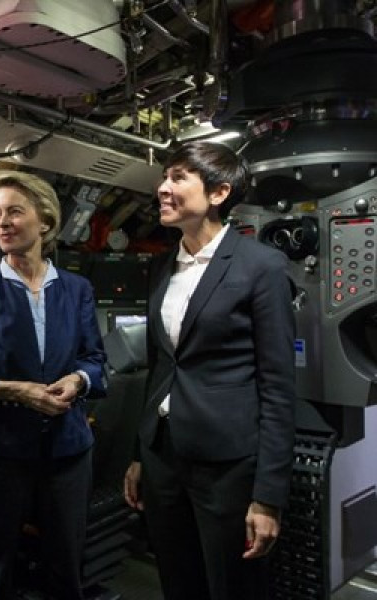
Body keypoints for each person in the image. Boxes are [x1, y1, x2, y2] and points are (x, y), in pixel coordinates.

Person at [122, 141, 296, 600]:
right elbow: (162, 364)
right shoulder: (162, 266)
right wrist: (142, 453)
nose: (163, 188)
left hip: (227, 465)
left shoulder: (262, 267)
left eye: (179, 178)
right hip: (164, 456)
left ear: (218, 193)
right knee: (178, 580)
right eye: (164, 176)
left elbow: (278, 385)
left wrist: (268, 495)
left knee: (233, 587)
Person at [0, 172, 106, 600]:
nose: (2, 222)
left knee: (65, 572)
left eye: (15, 211)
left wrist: (77, 379)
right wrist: (16, 391)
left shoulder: (76, 289)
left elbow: (95, 360)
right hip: (0, 454)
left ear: (46, 222)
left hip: (68, 453)